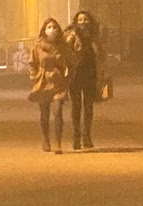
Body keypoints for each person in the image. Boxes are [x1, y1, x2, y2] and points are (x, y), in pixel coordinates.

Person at [65, 10, 107, 150]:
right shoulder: (71, 35)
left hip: (90, 74)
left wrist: (102, 72)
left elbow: (101, 55)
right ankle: (76, 137)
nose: (83, 22)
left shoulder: (95, 37)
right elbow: (66, 51)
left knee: (89, 107)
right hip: (75, 75)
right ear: (76, 22)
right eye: (80, 20)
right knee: (76, 107)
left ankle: (86, 136)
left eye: (86, 19)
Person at [28, 17, 71, 153]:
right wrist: (34, 76)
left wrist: (67, 76)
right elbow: (32, 63)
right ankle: (45, 139)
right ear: (44, 30)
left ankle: (58, 143)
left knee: (57, 111)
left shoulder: (63, 46)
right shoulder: (37, 46)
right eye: (49, 27)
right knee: (44, 112)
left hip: (58, 81)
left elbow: (72, 62)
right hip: (43, 82)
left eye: (54, 27)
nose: (52, 30)